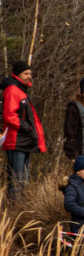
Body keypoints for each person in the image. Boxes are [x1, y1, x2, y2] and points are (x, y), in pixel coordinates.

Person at [2, 60, 46, 201]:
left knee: (23, 181)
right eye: (26, 73)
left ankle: (20, 208)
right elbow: (10, 115)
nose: (29, 76)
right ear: (18, 74)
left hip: (24, 141)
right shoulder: (13, 90)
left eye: (30, 73)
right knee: (16, 180)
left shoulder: (21, 90)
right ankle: (14, 210)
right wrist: (26, 127)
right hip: (16, 141)